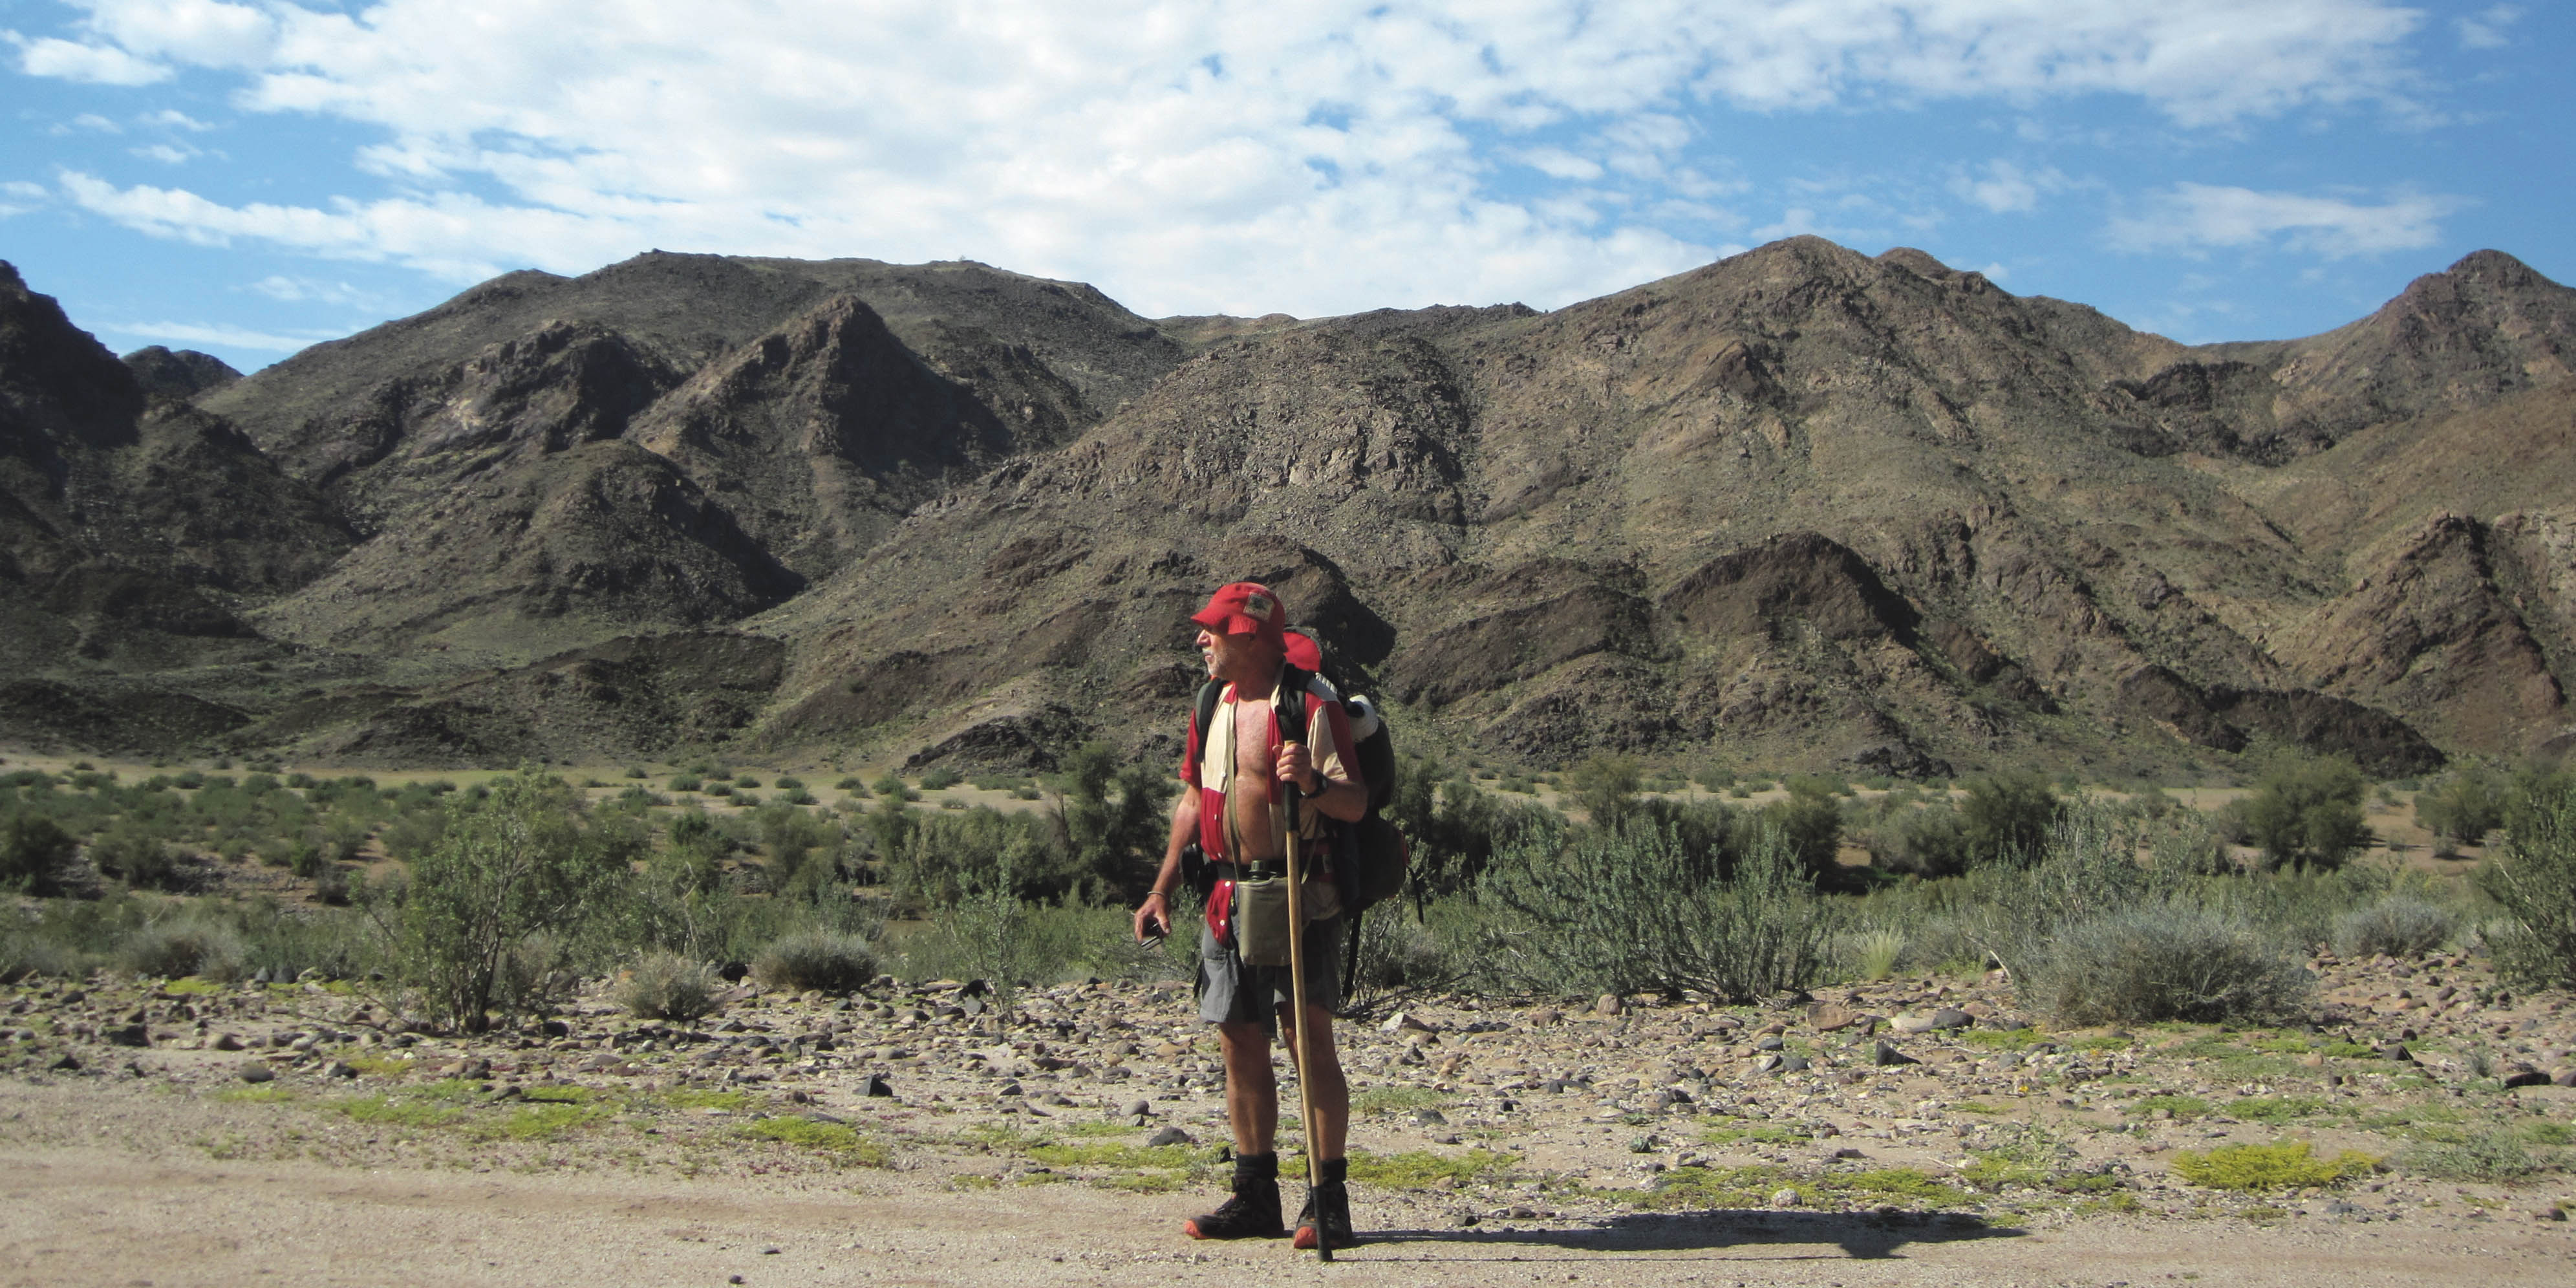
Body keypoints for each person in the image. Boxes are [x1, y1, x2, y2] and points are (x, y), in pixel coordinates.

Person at [1133, 581, 1368, 1250]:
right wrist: (1161, 889)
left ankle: (1329, 1202)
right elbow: (1191, 800)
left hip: (1301, 893)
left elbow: (1354, 803)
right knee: (1239, 1042)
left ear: (1252, 634)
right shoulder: (1210, 704)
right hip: (1225, 899)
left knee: (1308, 1042)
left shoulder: (1311, 705)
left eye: (1214, 629)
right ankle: (1255, 1195)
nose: (1201, 639)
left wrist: (1315, 784)